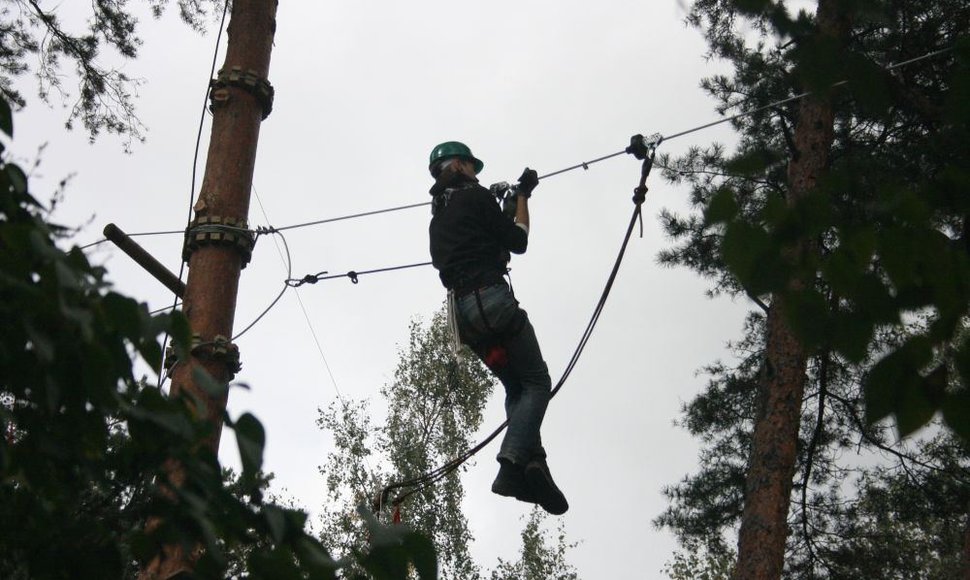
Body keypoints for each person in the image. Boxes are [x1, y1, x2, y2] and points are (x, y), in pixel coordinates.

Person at [427, 141, 568, 515]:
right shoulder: (474, 197)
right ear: (458, 165)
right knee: (538, 383)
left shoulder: (437, 217)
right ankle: (511, 462)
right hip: (492, 301)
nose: (476, 173)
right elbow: (517, 241)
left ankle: (532, 465)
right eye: (472, 166)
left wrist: (500, 210)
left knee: (515, 386)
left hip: (463, 317)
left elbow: (483, 238)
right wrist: (522, 197)